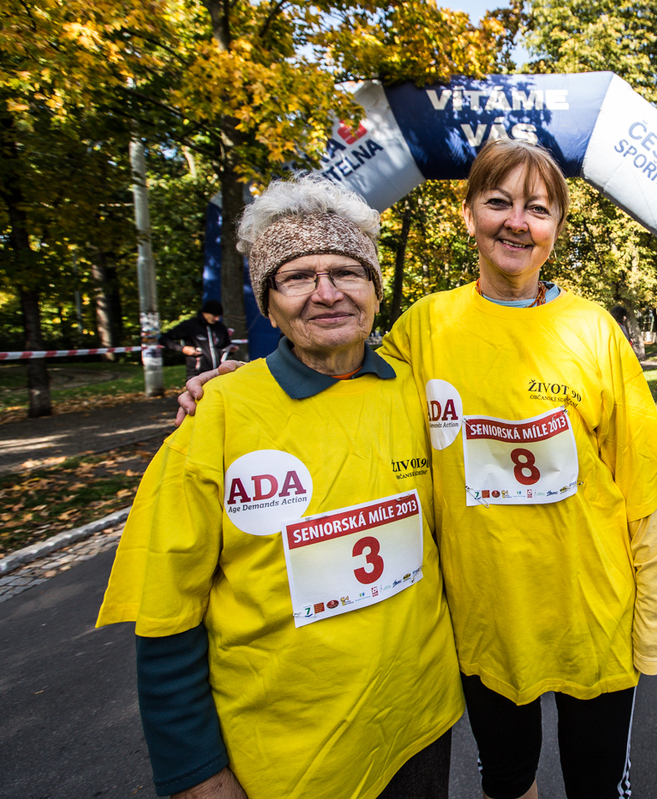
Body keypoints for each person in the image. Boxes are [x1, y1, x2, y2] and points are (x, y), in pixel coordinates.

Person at [178, 140, 657, 799]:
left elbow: (647, 494)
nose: (516, 221)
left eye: (537, 208)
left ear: (557, 227)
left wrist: (654, 618)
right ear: (468, 213)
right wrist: (247, 382)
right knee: (508, 783)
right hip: (483, 624)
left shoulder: (593, 331)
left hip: (594, 616)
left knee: (597, 787)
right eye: (497, 201)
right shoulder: (426, 326)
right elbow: (346, 381)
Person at [98, 175, 463, 799]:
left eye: (347, 272)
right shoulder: (218, 414)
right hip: (289, 763)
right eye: (297, 277)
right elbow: (165, 613)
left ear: (375, 291)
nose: (326, 294)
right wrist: (194, 771)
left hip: (421, 724)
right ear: (268, 304)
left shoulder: (420, 392)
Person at [159, 299, 233, 378]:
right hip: (197, 373)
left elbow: (225, 346)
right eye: (214, 316)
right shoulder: (190, 325)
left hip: (218, 373)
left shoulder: (220, 328)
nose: (217, 319)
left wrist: (231, 349)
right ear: (205, 313)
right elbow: (164, 338)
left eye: (219, 316)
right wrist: (183, 349)